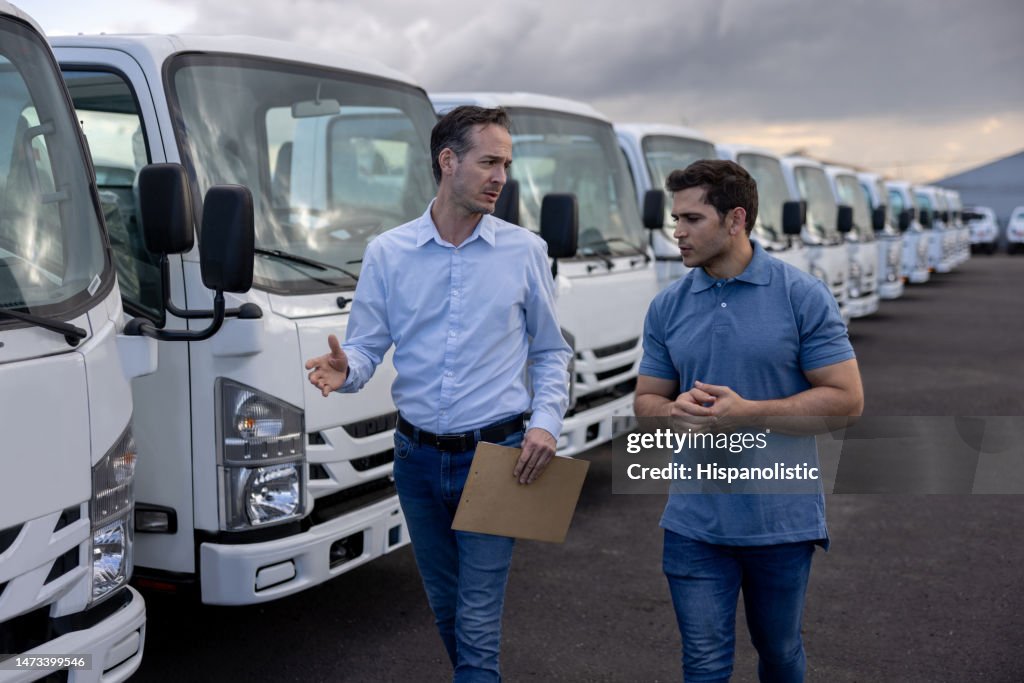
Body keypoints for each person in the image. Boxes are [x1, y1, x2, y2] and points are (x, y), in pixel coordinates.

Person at [305, 105, 571, 682]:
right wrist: (345, 370)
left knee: (476, 625)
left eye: (506, 162)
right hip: (416, 461)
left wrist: (545, 422)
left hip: (499, 459)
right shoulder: (388, 252)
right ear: (448, 162)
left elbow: (551, 351)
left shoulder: (525, 251)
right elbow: (368, 350)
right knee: (447, 613)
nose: (501, 175)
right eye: (489, 161)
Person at [634, 159, 863, 682]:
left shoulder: (800, 295)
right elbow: (646, 403)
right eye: (676, 219)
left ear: (735, 219)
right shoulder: (667, 306)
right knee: (704, 664)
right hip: (693, 524)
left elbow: (847, 400)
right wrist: (673, 411)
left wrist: (749, 414)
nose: (678, 232)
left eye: (692, 219)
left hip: (781, 521)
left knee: (779, 653)